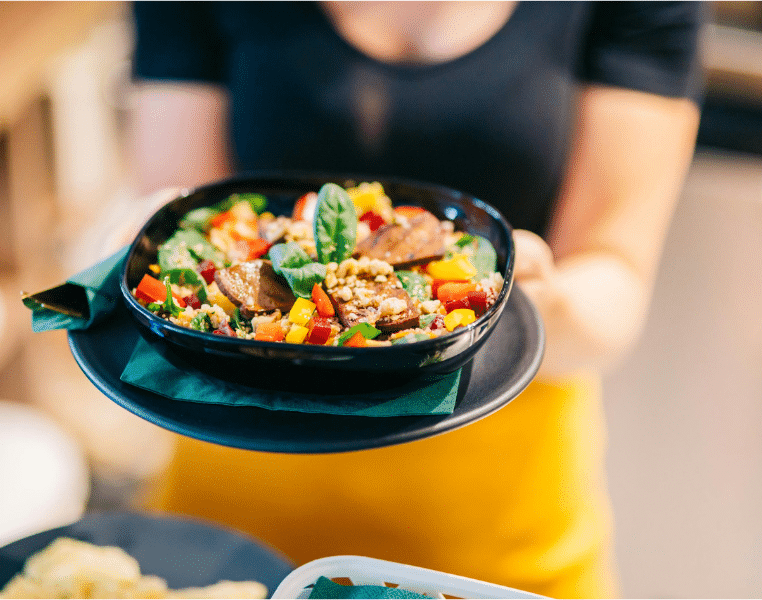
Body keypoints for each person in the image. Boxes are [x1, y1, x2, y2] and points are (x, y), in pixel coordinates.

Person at [128, 2, 703, 597]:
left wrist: (536, 299)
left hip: (499, 525)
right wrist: (117, 252)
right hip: (232, 527)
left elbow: (614, 282)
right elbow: (180, 226)